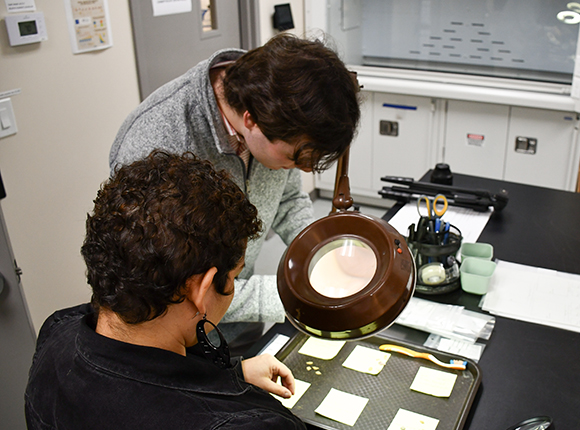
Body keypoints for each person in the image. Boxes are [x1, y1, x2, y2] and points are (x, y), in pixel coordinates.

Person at [25, 151, 306, 429]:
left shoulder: (56, 333)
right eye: (234, 277)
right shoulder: (248, 424)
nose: (231, 287)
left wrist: (234, 375)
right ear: (201, 289)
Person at [109, 33, 361, 330]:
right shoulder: (157, 142)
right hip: (178, 337)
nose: (301, 170)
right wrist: (300, 294)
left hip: (241, 317)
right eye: (295, 158)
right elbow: (172, 289)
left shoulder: (282, 103)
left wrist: (322, 252)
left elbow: (288, 199)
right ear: (251, 120)